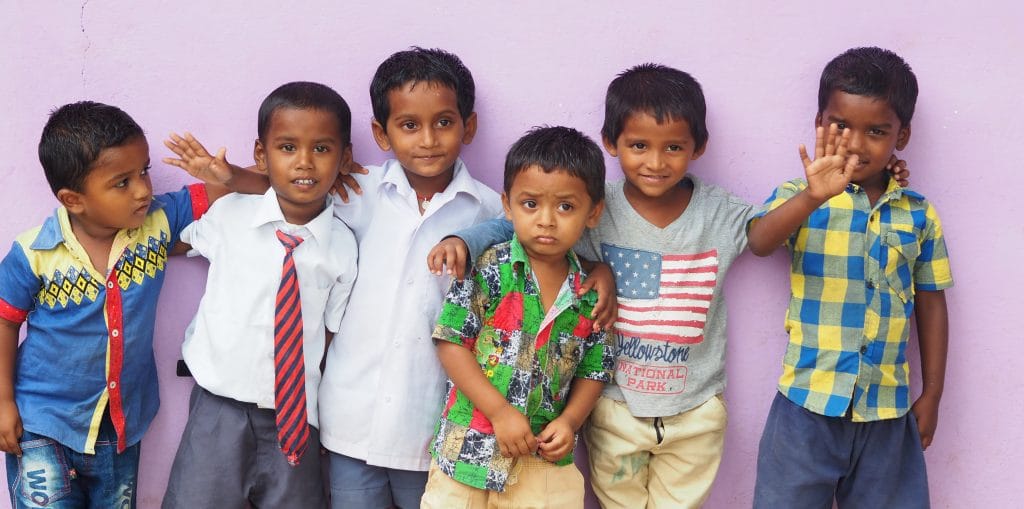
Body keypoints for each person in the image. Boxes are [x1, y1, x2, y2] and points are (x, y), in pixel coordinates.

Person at [747, 47, 952, 508]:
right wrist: (813, 197)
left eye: (877, 131)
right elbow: (759, 241)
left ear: (903, 134)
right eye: (841, 126)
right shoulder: (799, 196)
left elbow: (932, 300)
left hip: (887, 410)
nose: (856, 144)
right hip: (806, 403)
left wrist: (933, 393)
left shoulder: (917, 214)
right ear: (820, 122)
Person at [0, 101, 220, 508]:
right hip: (41, 423)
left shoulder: (157, 222)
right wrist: (3, 401)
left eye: (145, 171)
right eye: (122, 182)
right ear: (74, 199)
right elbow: (4, 321)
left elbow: (248, 190)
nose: (143, 189)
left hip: (119, 427)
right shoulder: (35, 253)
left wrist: (219, 174)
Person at [316, 47, 505, 508]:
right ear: (381, 133)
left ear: (469, 126)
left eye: (444, 122)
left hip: (431, 426)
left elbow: (544, 247)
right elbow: (287, 199)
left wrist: (598, 270)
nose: (428, 139)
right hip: (350, 419)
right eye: (409, 125)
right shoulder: (356, 193)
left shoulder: (490, 209)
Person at [161, 81, 358, 508]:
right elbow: (173, 241)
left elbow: (328, 334)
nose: (304, 162)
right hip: (218, 407)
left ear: (344, 159)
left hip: (296, 417)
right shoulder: (231, 214)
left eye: (322, 149)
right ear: (261, 154)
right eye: (287, 147)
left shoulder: (343, 246)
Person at [420, 126, 613, 508]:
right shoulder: (489, 269)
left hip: (541, 458)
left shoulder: (589, 294)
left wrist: (571, 422)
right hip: (468, 451)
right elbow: (451, 341)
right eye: (530, 204)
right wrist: (500, 412)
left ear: (593, 213)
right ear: (507, 206)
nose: (546, 220)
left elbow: (596, 369)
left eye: (565, 207)